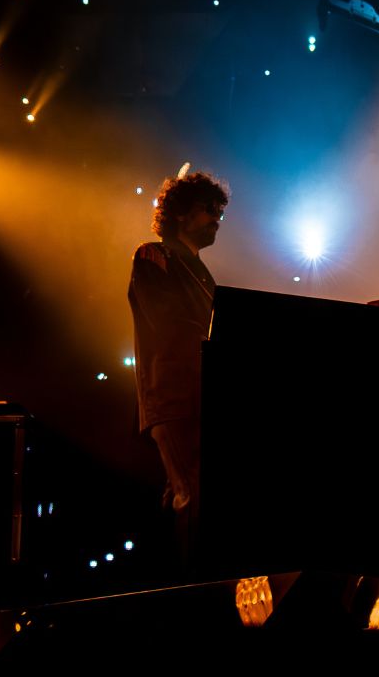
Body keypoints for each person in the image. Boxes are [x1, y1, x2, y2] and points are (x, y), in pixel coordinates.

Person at [128, 169, 228, 565]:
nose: (217, 218)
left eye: (220, 211)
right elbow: (166, 321)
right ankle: (192, 599)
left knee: (193, 493)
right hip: (172, 393)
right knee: (193, 494)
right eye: (209, 209)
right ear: (183, 213)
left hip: (200, 392)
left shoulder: (202, 271)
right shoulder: (154, 254)